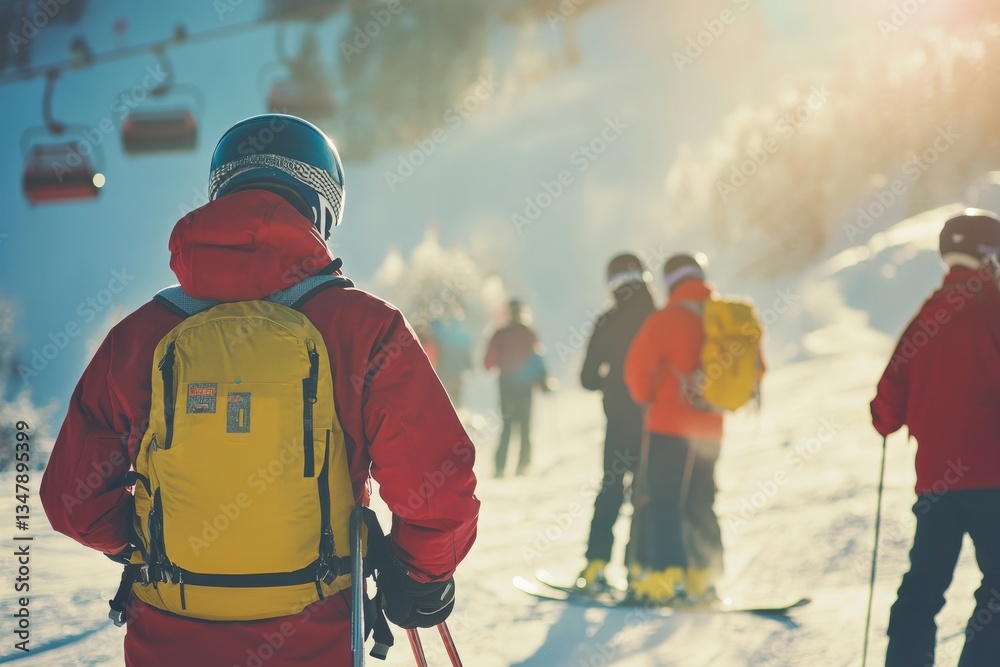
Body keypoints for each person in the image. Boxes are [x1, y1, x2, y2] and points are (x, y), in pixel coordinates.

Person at [39, 114, 480, 666]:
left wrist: (145, 543)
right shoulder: (365, 327)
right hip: (315, 640)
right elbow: (438, 486)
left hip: (169, 642)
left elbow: (70, 500)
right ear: (321, 208)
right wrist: (420, 575)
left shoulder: (138, 337)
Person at [871, 209, 1000, 666]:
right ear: (990, 255)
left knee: (923, 586)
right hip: (992, 478)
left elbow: (886, 406)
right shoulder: (993, 307)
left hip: (936, 484)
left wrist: (894, 418)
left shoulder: (926, 315)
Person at [624, 253, 761, 603]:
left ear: (670, 282)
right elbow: (758, 366)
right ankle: (706, 577)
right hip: (711, 427)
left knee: (664, 499)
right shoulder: (728, 316)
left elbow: (636, 373)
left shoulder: (664, 320)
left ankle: (667, 577)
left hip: (668, 425)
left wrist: (648, 398)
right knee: (702, 499)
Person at [576, 253, 656, 590]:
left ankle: (594, 567)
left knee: (610, 488)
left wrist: (609, 381)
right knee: (646, 492)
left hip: (619, 420)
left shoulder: (607, 321)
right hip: (654, 424)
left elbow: (587, 377)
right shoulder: (658, 319)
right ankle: (639, 570)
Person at [484, 298, 547, 477]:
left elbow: (488, 363)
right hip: (525, 388)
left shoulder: (500, 334)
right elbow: (538, 359)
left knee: (507, 427)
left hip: (506, 387)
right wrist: (542, 381)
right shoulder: (528, 333)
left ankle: (500, 467)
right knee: (525, 427)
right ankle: (523, 466)